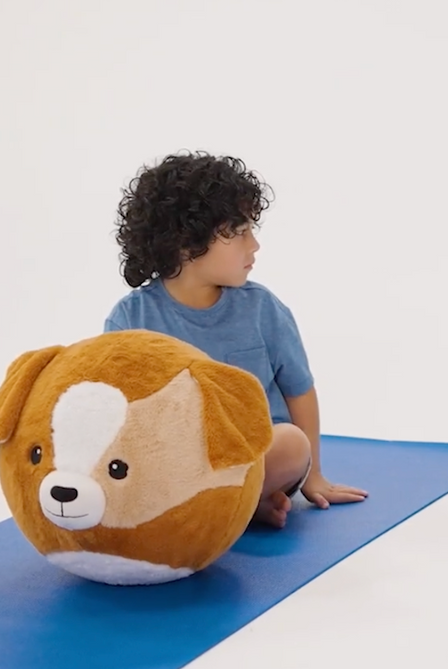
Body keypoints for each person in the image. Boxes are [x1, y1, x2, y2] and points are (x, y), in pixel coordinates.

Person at [104, 151, 368, 529]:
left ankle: (233, 502)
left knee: (291, 444)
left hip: (262, 455)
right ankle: (241, 506)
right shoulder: (132, 319)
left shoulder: (262, 309)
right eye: (240, 232)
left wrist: (314, 477)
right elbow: (121, 414)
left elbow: (299, 390)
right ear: (187, 242)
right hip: (183, 464)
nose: (254, 245)